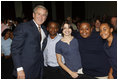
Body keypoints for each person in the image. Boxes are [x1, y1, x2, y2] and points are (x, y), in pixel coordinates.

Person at [11, 5, 48, 79]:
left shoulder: (44, 29)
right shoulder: (23, 27)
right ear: (33, 15)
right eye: (39, 14)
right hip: (25, 68)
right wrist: (19, 69)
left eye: (44, 15)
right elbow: (15, 49)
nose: (41, 17)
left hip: (39, 67)